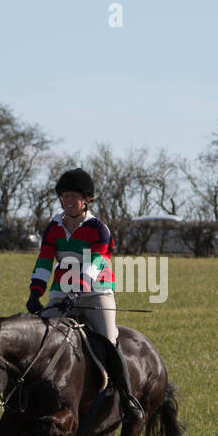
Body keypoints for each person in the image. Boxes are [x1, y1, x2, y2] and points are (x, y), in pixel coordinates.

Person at [26, 167, 144, 423]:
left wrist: (77, 290)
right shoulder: (54, 228)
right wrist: (36, 291)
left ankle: (127, 399)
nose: (68, 201)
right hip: (61, 294)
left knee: (109, 340)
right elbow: (45, 260)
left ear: (86, 200)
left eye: (74, 197)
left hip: (96, 293)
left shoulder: (99, 229)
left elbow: (95, 264)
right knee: (41, 337)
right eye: (64, 196)